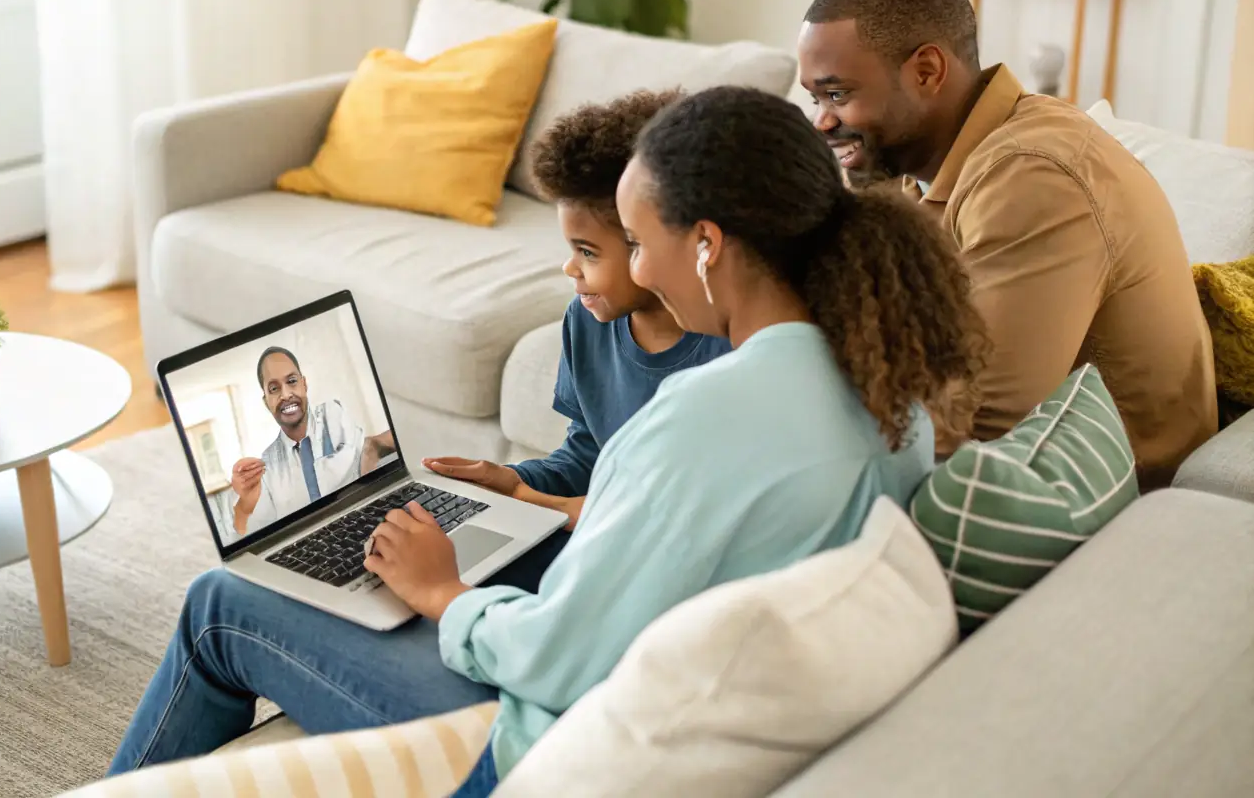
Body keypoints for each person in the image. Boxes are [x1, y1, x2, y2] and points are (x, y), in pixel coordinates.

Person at [109, 86, 986, 796]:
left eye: (638, 243)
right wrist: (517, 511)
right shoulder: (887, 390)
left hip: (544, 748)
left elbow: (558, 660)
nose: (636, 269)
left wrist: (445, 593)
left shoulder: (699, 415)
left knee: (220, 604)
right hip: (681, 685)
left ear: (708, 245)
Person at [797, 0, 1217, 488]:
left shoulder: (1031, 174)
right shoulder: (914, 167)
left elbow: (983, 423)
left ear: (927, 71)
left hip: (1095, 495)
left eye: (837, 94)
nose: (822, 122)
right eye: (815, 98)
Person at [422, 89, 732, 543]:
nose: (571, 269)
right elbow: (588, 456)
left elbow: (690, 511)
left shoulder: (731, 347)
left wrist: (541, 504)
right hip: (603, 533)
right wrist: (508, 482)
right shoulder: (587, 321)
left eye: (587, 252)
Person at [229, 346, 397, 536]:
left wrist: (371, 449)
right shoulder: (267, 466)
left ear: (304, 384)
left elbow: (366, 454)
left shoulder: (333, 415)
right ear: (266, 402)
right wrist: (245, 506)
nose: (285, 395)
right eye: (274, 389)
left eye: (292, 381)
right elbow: (249, 534)